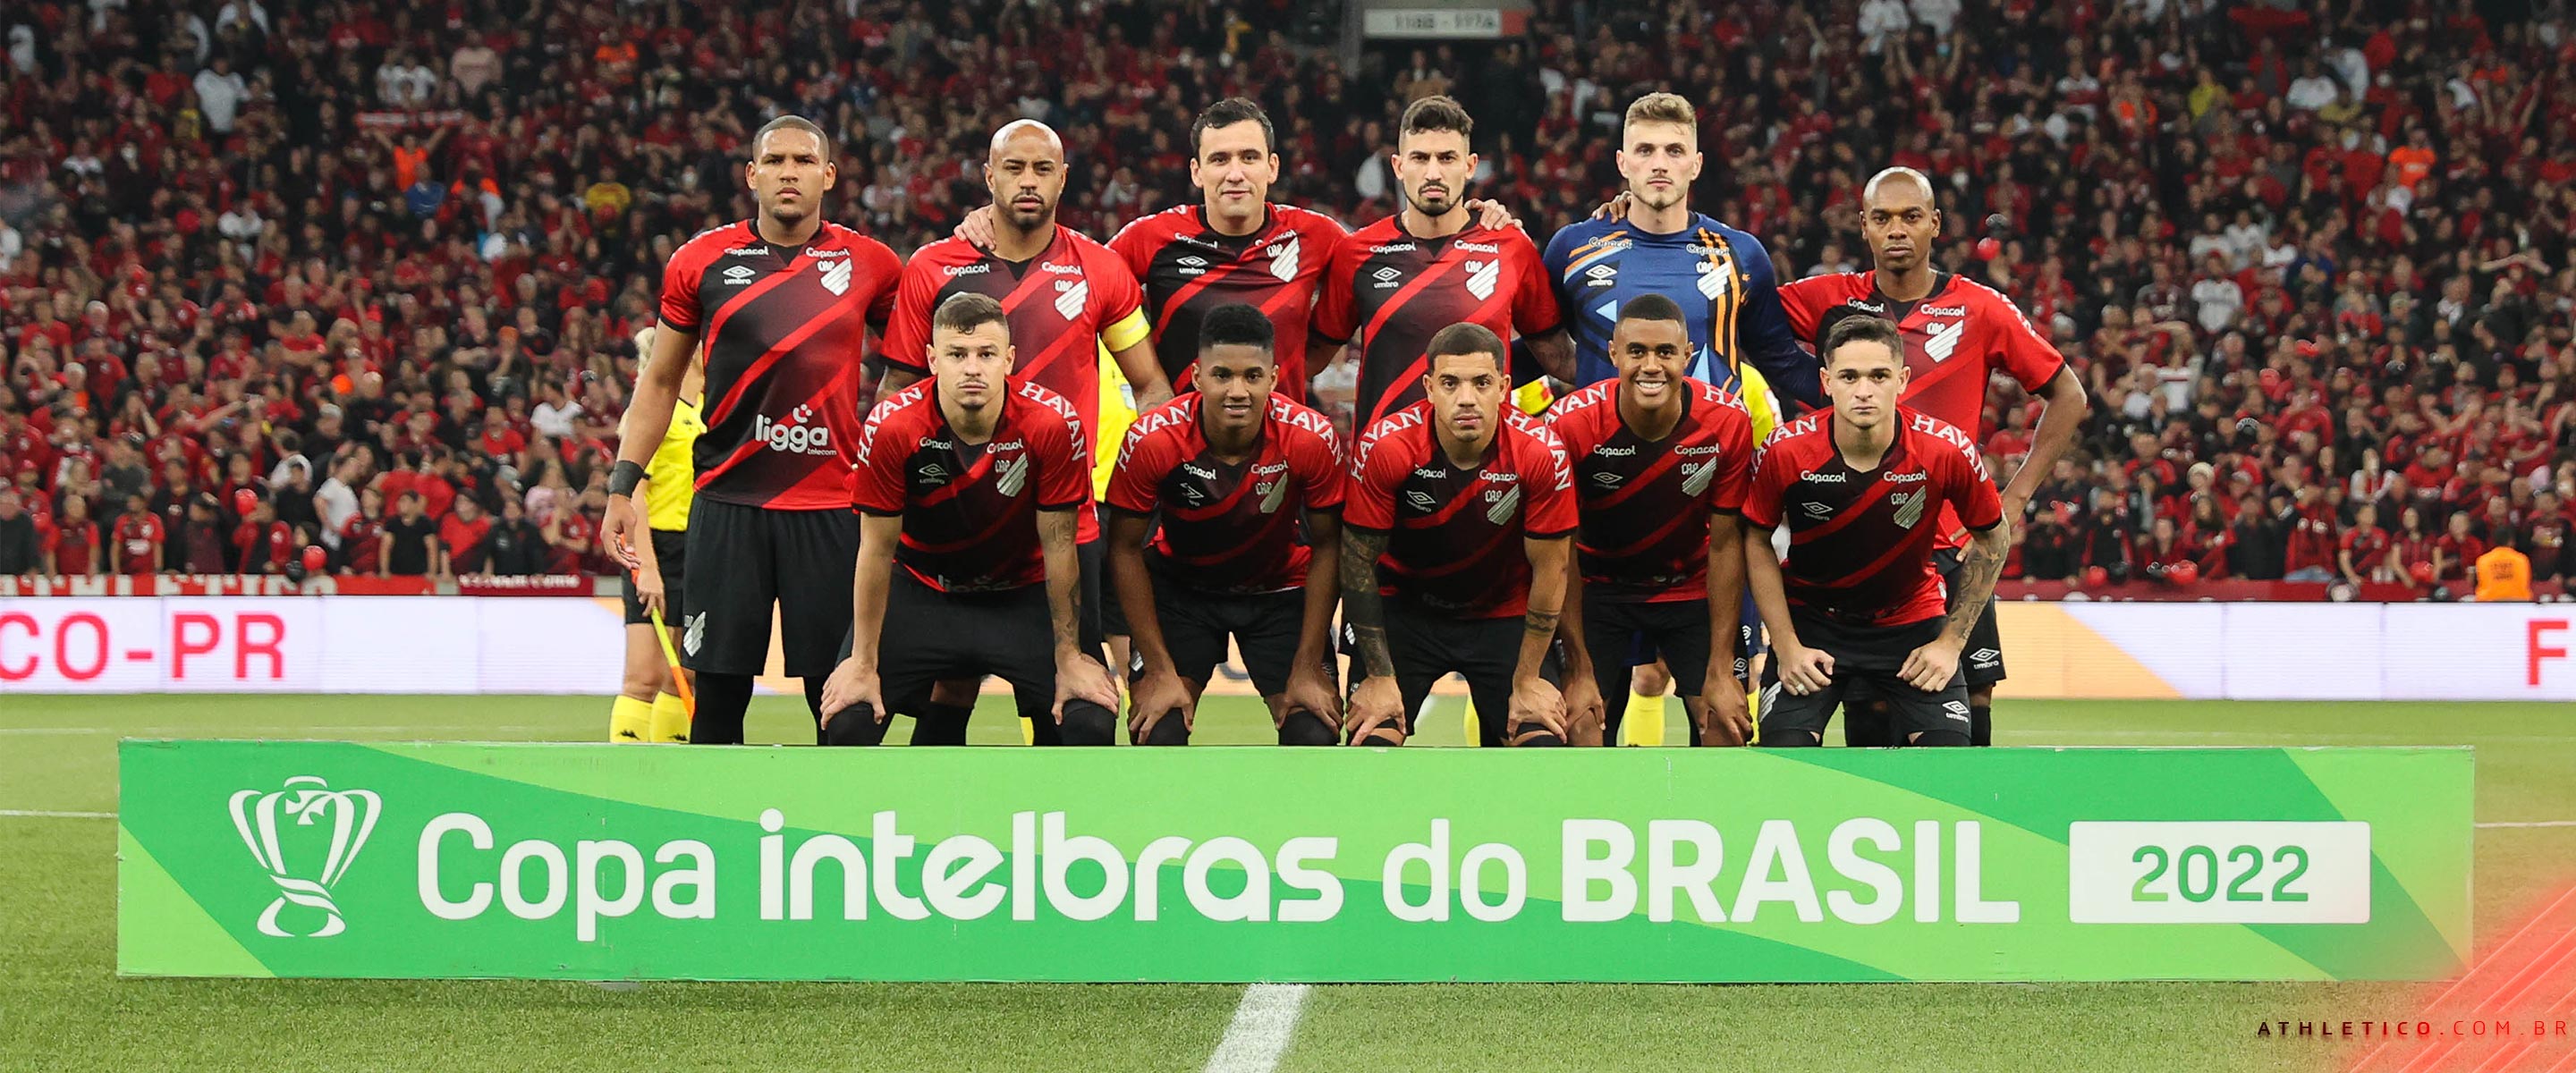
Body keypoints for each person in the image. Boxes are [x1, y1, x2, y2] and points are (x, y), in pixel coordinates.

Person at [603, 114, 903, 746]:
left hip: (830, 508)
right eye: (775, 161)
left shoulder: (871, 263)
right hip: (727, 507)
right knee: (714, 703)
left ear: (828, 176)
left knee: (843, 707)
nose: (789, 173)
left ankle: (843, 812)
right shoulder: (700, 261)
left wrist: (880, 430)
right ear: (751, 175)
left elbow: (914, 362)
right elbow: (660, 382)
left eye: (803, 161)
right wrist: (621, 486)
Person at [874, 119, 1174, 742]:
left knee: (1067, 705)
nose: (1028, 181)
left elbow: (1151, 387)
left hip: (1061, 520)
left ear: (1063, 178)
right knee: (946, 686)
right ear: (990, 177)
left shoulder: (1101, 269)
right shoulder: (933, 266)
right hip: (952, 516)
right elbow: (895, 393)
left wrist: (1142, 482)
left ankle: (1051, 807)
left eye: (1042, 169)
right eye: (1013, 168)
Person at [1779, 166, 2089, 747]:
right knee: (1870, 702)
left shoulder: (1980, 307)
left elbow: (2068, 396)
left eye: (1911, 216)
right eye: (1883, 218)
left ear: (1936, 224)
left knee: (1974, 697)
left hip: (1952, 546)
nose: (1897, 230)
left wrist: (2014, 499)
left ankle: (1967, 808)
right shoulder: (1825, 297)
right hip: (1863, 549)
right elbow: (1739, 314)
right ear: (1864, 227)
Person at [1557, 92, 1823, 743]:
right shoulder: (1572, 248)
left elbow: (1782, 363)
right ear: (1622, 162)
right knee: (1579, 727)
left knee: (1725, 725)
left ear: (1696, 163)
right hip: (1599, 525)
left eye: (1674, 150)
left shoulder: (1740, 255)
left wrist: (1868, 395)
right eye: (1645, 150)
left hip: (1709, 524)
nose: (1659, 163)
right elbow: (1531, 347)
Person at [817, 293, 1121, 746]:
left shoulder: (1052, 423)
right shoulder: (892, 426)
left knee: (1089, 723)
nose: (973, 368)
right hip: (924, 590)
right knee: (848, 722)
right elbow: (876, 550)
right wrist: (862, 662)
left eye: (986, 354)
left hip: (1021, 593)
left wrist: (1070, 655)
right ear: (932, 360)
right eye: (957, 355)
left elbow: (1060, 546)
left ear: (1009, 360)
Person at [1741, 316, 2009, 748]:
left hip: (1911, 625)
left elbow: (1994, 537)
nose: (1864, 390)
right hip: (1812, 625)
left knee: (1949, 757)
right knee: (1786, 754)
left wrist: (1949, 644)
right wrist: (1786, 645)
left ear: (1902, 380)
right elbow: (1754, 539)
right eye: (1849, 376)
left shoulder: (1945, 449)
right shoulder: (1785, 450)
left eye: (1879, 376)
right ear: (1826, 381)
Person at [1340, 323, 1592, 748]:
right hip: (1404, 609)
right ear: (1429, 388)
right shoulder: (1386, 446)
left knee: (1541, 744)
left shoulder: (1540, 452)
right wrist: (1380, 676)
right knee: (1371, 739)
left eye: (1482, 383)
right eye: (1450, 383)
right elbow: (1357, 562)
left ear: (1504, 387)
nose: (1466, 398)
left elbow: (1553, 569)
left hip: (1502, 612)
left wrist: (1528, 678)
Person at [1106, 303, 1347, 746]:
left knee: (1314, 731)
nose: (1238, 391)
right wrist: (1158, 670)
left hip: (1280, 592)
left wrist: (1308, 664)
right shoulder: (1153, 440)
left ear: (1274, 379)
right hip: (1181, 593)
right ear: (1198, 377)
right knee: (1157, 730)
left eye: (1253, 376)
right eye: (1222, 375)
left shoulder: (1311, 438)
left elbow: (1330, 545)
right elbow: (1123, 548)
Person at [1544, 295, 1758, 747]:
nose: (1651, 366)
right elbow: (1560, 550)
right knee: (1580, 727)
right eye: (1637, 351)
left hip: (1690, 587)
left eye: (1665, 352)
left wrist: (1721, 669)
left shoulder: (1727, 422)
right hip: (1599, 589)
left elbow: (1726, 544)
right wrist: (1579, 669)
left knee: (1725, 726)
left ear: (1688, 355)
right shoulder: (1569, 424)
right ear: (1613, 354)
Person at [1312, 96, 1573, 435]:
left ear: (1470, 165)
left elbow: (1558, 358)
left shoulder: (1510, 247)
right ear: (1398, 166)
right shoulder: (1357, 252)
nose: (1433, 172)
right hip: (1384, 459)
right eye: (1420, 158)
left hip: (1484, 460)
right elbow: (1307, 359)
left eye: (1447, 158)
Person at [610, 324, 702, 744]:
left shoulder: (710, 406)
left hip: (699, 545)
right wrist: (647, 566)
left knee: (683, 674)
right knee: (643, 676)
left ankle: (672, 767)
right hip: (657, 545)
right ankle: (624, 772)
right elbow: (636, 494)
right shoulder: (649, 411)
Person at [381, 490, 438, 577]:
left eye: (404, 501)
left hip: (419, 574)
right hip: (395, 574)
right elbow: (385, 548)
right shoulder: (392, 523)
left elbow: (432, 549)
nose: (400, 504)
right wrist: (384, 570)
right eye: (400, 501)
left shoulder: (426, 524)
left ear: (414, 504)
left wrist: (432, 572)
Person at [111, 493, 163, 575]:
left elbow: (157, 546)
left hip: (149, 571)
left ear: (144, 503)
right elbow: (116, 546)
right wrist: (115, 569)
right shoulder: (122, 520)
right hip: (127, 570)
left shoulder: (154, 520)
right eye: (130, 502)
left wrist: (158, 569)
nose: (131, 504)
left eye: (135, 501)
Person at [49, 494, 98, 576]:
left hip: (84, 575)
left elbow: (94, 547)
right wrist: (51, 569)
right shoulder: (58, 526)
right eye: (76, 507)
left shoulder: (90, 526)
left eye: (82, 507)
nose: (79, 510)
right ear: (67, 509)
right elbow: (50, 550)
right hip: (61, 574)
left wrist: (93, 566)